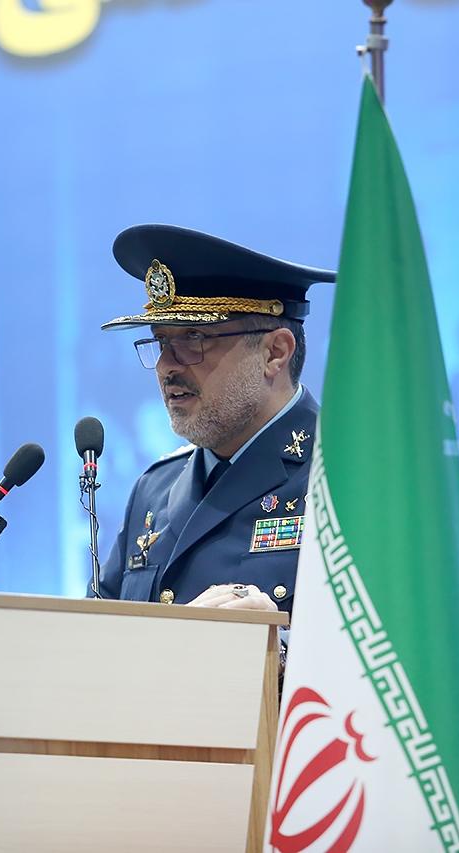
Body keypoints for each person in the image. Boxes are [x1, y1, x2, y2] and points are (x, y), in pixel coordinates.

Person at [95, 224, 335, 614]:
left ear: (275, 353)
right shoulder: (154, 488)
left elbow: (398, 636)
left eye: (194, 338)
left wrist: (276, 641)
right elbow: (95, 638)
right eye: (161, 341)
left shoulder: (348, 477)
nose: (166, 366)